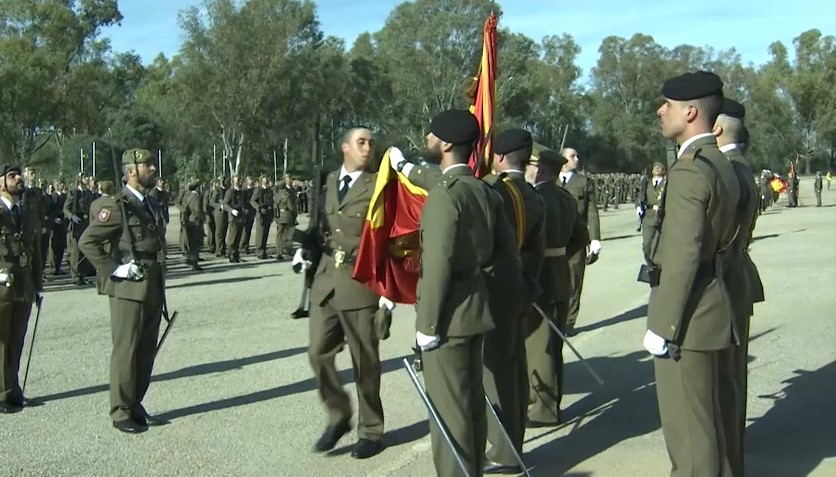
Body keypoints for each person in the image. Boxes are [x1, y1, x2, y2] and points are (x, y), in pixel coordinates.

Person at [404, 109, 516, 476]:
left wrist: (427, 324)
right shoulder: (484, 190)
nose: (428, 140)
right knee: (470, 406)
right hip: (476, 307)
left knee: (448, 413)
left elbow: (437, 264)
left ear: (447, 143)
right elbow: (505, 254)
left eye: (432, 135)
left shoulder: (445, 196)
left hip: (447, 315)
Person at [647, 71, 741, 476]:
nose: (659, 110)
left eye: (666, 104)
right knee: (712, 424)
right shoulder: (721, 163)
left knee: (689, 435)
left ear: (689, 112)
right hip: (713, 304)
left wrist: (662, 324)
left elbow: (683, 255)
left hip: (688, 317)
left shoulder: (688, 170)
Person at [292, 128, 387, 460]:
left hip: (361, 280)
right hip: (326, 279)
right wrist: (305, 248)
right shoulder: (329, 180)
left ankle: (371, 430)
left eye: (371, 143)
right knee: (318, 352)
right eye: (361, 142)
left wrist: (388, 288)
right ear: (344, 147)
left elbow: (389, 233)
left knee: (365, 361)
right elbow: (321, 225)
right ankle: (339, 413)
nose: (368, 147)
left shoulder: (378, 184)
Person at [78, 148, 169, 434]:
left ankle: (135, 403)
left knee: (145, 351)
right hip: (128, 289)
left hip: (152, 285)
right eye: (148, 166)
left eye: (153, 165)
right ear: (132, 171)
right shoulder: (117, 205)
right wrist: (115, 268)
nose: (153, 169)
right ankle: (120, 410)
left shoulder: (150, 204)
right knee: (126, 350)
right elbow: (87, 242)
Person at [480, 128, 545, 474]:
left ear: (500, 156)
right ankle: (513, 443)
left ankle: (506, 451)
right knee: (515, 366)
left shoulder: (493, 191)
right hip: (521, 289)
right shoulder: (533, 195)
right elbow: (536, 250)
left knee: (495, 373)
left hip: (493, 289)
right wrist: (528, 287)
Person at [714, 99, 764, 476]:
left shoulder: (730, 170)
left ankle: (726, 458)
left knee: (723, 380)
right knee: (731, 378)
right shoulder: (740, 167)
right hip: (737, 274)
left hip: (725, 278)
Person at [524, 145, 588, 428]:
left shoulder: (537, 200)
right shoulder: (564, 198)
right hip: (559, 273)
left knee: (540, 348)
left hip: (540, 277)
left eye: (531, 164)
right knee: (554, 344)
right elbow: (580, 237)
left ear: (541, 168)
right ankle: (552, 403)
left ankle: (543, 410)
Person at [0, 164, 44, 414]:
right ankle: (2, 393)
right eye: (11, 176)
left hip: (24, 284)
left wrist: (38, 285)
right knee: (1, 341)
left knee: (16, 340)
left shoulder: (27, 213)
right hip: (2, 285)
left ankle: (13, 389)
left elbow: (36, 250)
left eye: (19, 175)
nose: (19, 179)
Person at [559, 147, 601, 335]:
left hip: (576, 241)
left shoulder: (584, 182)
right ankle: (556, 318)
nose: (577, 159)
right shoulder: (549, 180)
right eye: (572, 156)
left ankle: (569, 322)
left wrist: (595, 239)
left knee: (574, 282)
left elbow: (592, 211)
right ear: (562, 159)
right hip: (554, 240)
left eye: (576, 156)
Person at [180, 179, 205, 271]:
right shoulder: (197, 197)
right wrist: (203, 217)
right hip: (196, 221)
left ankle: (190, 259)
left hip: (188, 221)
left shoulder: (187, 195)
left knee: (190, 242)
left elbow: (183, 206)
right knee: (195, 242)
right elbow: (197, 210)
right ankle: (193, 262)